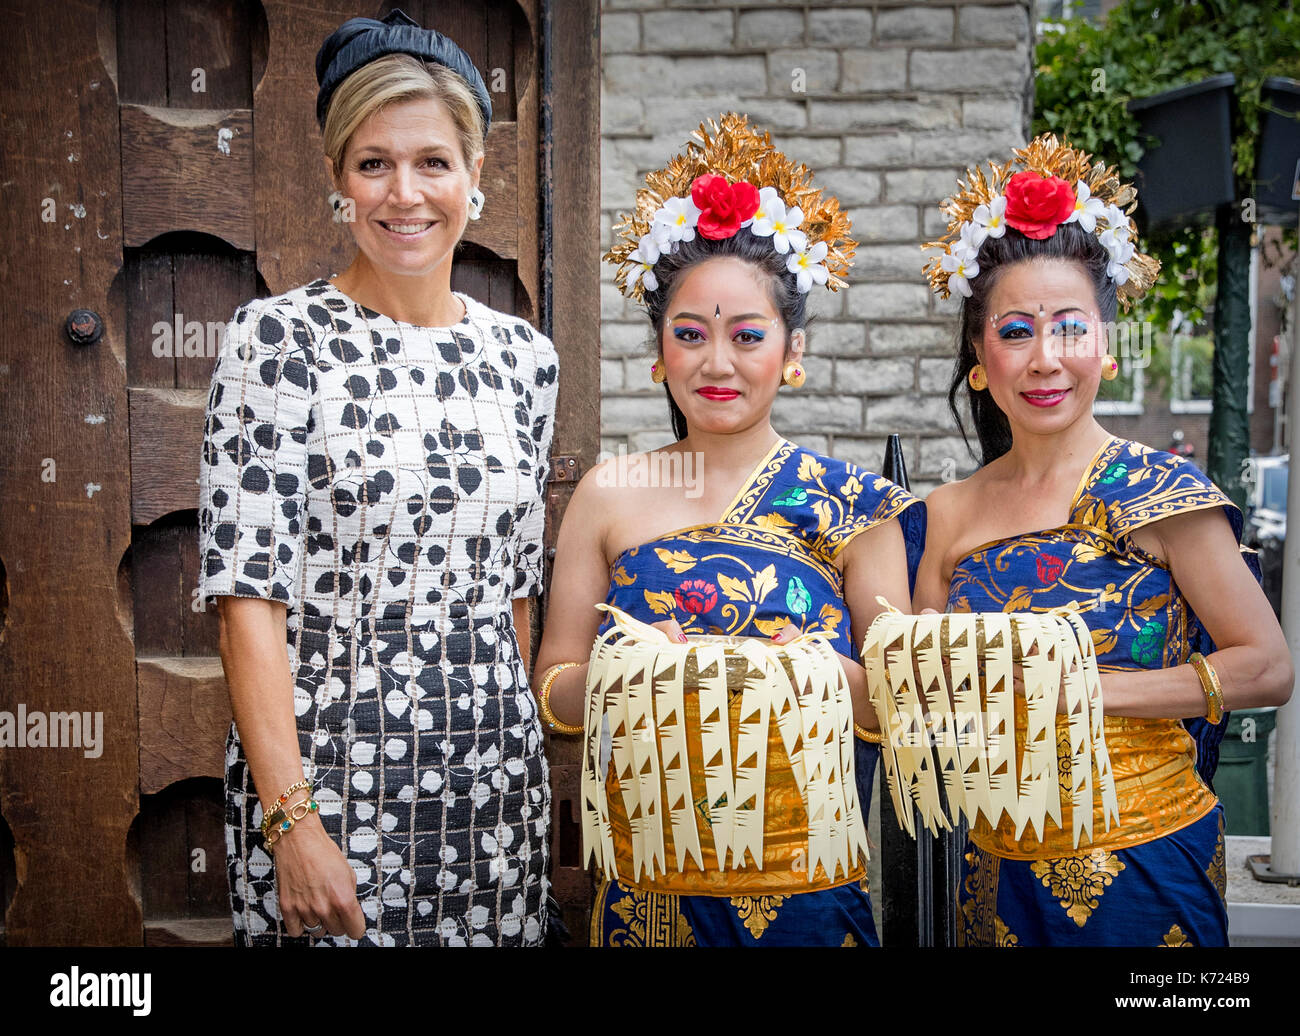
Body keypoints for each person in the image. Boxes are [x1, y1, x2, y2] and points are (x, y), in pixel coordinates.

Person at [196, 10, 558, 947]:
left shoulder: (524, 359)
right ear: (337, 180)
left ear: (478, 176)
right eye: (374, 164)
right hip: (335, 794)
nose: (406, 194)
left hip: (492, 794)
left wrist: (515, 774)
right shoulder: (275, 343)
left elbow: (516, 592)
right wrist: (291, 824)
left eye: (434, 162)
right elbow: (248, 602)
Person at [531, 114, 925, 946]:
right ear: (659, 352)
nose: (718, 364)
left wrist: (802, 670)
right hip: (650, 890)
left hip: (808, 887)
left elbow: (899, 709)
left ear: (792, 347)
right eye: (690, 335)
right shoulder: (611, 492)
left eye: (748, 336)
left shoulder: (854, 503)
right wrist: (625, 672)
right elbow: (555, 692)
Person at [912, 134, 1293, 946]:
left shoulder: (1163, 493)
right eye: (1015, 331)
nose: (1044, 359)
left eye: (1069, 328)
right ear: (979, 358)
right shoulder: (946, 513)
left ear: (1107, 347)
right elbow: (919, 694)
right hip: (995, 867)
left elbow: (1267, 666)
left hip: (1148, 865)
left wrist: (1081, 690)